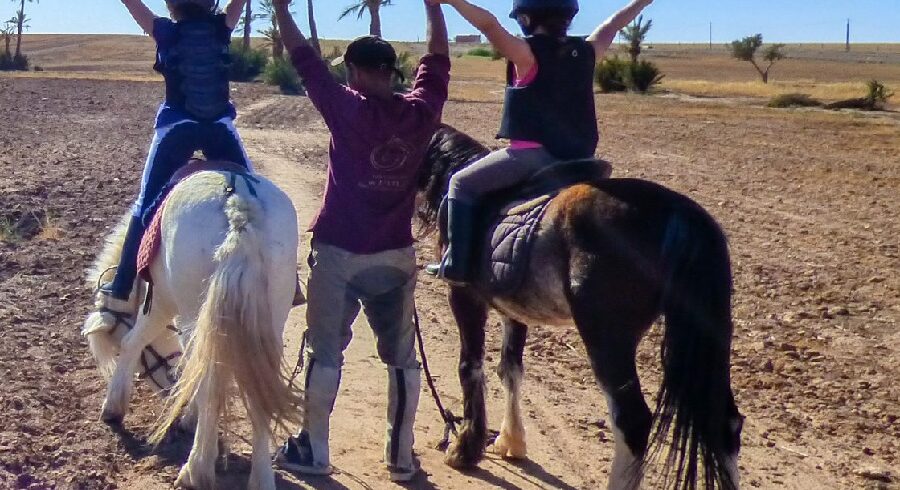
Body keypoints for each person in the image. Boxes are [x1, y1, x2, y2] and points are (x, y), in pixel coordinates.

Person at [271, 0, 451, 482]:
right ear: (392, 72)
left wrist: (279, 7)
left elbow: (301, 56)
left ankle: (314, 450)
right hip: (396, 256)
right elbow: (438, 59)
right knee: (401, 356)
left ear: (352, 71)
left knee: (324, 351)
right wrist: (434, 7)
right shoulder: (422, 113)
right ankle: (400, 455)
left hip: (338, 253)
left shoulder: (344, 106)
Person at [426, 0, 655, 283]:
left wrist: (452, 1)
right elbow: (613, 24)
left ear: (525, 17)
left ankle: (457, 265)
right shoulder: (587, 51)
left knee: (460, 183)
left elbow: (488, 25)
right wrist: (642, 2)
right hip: (580, 160)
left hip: (533, 156)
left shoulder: (527, 54)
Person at [100, 0, 252, 316]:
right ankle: (287, 282)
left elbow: (132, 4)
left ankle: (122, 288)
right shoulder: (221, 27)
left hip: (176, 127)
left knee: (146, 204)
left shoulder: (165, 31)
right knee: (254, 197)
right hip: (219, 128)